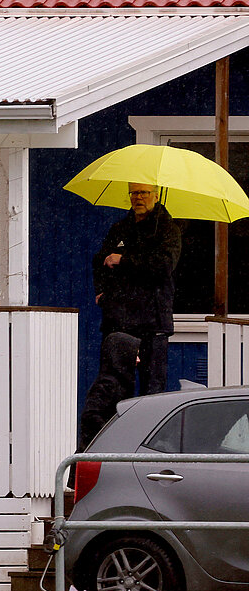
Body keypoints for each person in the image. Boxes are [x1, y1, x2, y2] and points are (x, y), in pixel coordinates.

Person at [93, 181, 182, 397]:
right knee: (114, 385)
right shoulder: (121, 228)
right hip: (120, 321)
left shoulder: (168, 230)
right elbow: (100, 261)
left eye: (143, 192)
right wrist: (102, 292)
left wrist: (125, 261)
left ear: (156, 195)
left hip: (153, 322)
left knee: (151, 389)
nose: (138, 198)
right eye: (133, 193)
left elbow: (164, 266)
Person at [79, 332, 141, 450]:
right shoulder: (108, 385)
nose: (138, 360)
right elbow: (90, 416)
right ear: (122, 355)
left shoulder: (119, 383)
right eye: (135, 355)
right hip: (96, 456)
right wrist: (112, 434)